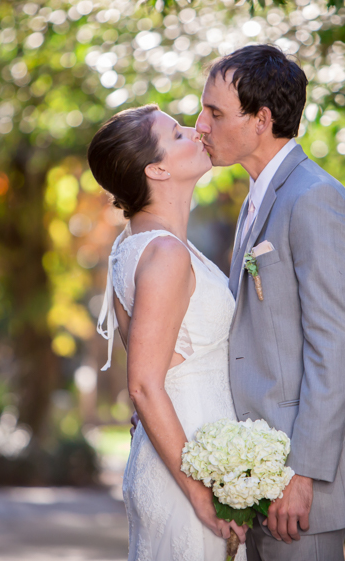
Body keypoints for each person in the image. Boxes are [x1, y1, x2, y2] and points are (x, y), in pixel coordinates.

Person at [194, 44, 345, 561]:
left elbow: (339, 346)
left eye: (214, 113)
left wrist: (303, 474)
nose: (200, 125)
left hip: (300, 483)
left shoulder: (314, 197)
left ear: (261, 120)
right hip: (256, 474)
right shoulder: (259, 196)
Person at [89, 104, 249, 561]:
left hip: (183, 459)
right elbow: (141, 383)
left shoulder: (131, 246)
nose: (197, 132)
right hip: (190, 481)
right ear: (156, 169)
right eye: (178, 134)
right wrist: (203, 497)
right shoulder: (165, 255)